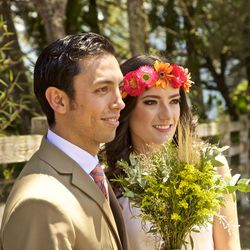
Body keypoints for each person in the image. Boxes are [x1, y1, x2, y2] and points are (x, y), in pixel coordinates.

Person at [0, 33, 130, 250]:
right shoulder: (41, 204)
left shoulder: (91, 171)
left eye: (120, 87)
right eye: (102, 89)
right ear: (58, 100)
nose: (119, 103)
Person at [103, 55, 241, 250]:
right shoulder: (108, 181)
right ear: (127, 110)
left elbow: (230, 246)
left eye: (174, 101)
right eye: (151, 102)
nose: (167, 115)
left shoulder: (211, 165)